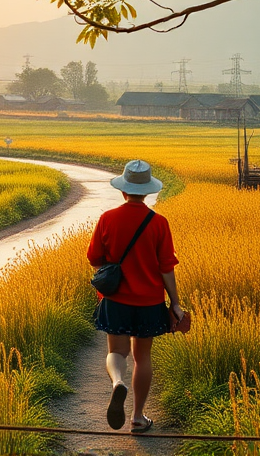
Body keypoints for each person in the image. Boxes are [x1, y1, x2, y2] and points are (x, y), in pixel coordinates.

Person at [86, 159, 183, 433]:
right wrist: (174, 303)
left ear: (123, 190)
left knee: (116, 352)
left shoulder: (107, 218)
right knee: (143, 357)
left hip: (115, 299)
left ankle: (118, 382)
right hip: (150, 302)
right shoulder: (159, 223)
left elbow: (94, 259)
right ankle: (138, 418)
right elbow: (166, 267)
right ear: (148, 191)